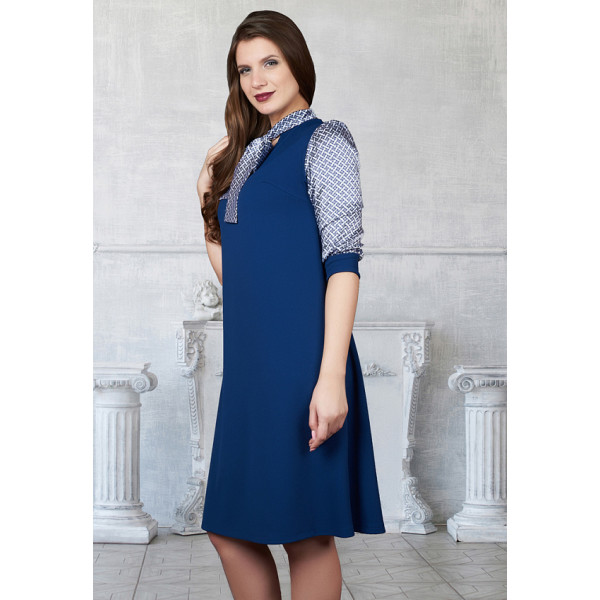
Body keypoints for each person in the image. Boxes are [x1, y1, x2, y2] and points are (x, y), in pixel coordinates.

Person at [196, 10, 385, 600]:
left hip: (304, 362)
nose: (257, 79)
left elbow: (344, 265)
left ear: (298, 63)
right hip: (251, 369)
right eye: (244, 69)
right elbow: (237, 277)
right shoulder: (247, 156)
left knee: (307, 534)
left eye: (270, 62)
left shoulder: (325, 141)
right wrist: (206, 190)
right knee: (228, 527)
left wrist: (330, 379)